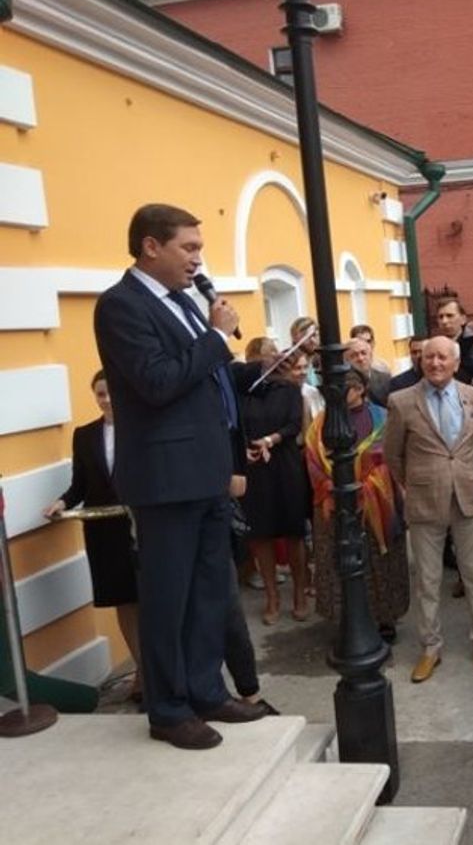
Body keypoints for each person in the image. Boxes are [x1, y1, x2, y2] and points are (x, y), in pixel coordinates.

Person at [93, 203, 263, 749]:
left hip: (206, 472)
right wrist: (216, 338)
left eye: (198, 247)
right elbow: (159, 382)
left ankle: (205, 689)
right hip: (165, 480)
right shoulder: (121, 306)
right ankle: (167, 710)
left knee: (211, 591)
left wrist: (249, 368)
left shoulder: (184, 303)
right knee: (168, 598)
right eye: (188, 247)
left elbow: (202, 379)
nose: (198, 258)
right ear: (151, 246)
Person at [384, 336, 473, 681]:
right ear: (421, 360)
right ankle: (430, 648)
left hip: (467, 496)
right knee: (429, 580)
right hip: (423, 499)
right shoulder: (401, 401)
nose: (435, 363)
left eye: (442, 358)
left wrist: (459, 474)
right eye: (430, 357)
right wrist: (418, 482)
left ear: (456, 362)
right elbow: (393, 455)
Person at [43, 370, 142, 702]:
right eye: (100, 394)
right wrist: (60, 503)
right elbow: (79, 486)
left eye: (112, 392)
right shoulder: (84, 435)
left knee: (152, 600)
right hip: (104, 533)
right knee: (124, 602)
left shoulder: (145, 429)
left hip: (143, 528)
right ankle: (143, 672)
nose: (107, 399)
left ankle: (160, 671)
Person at [306, 367, 408, 642]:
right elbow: (313, 459)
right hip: (334, 503)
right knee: (337, 561)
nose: (339, 395)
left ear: (360, 389)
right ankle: (344, 621)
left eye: (345, 389)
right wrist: (330, 487)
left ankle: (385, 619)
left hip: (377, 503)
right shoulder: (320, 422)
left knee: (380, 562)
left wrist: (368, 485)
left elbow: (393, 458)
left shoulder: (383, 419)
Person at [238, 352, 309, 625]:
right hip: (255, 467)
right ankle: (272, 597)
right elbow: (235, 427)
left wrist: (269, 440)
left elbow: (294, 425)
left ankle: (300, 594)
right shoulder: (244, 394)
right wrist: (247, 448)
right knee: (260, 534)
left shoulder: (290, 390)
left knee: (294, 531)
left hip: (285, 464)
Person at [346, 336, 392, 407]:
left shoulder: (385, 379)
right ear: (346, 360)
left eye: (363, 353)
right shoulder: (343, 384)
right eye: (354, 355)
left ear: (371, 356)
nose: (360, 358)